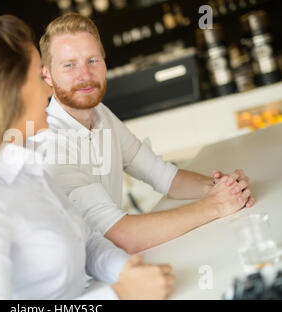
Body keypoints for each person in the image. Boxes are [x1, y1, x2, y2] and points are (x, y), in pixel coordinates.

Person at [0, 15, 175, 300]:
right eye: (38, 77)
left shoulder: (31, 166)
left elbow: (87, 243)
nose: (49, 89)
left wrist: (127, 270)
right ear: (9, 91)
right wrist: (117, 295)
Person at [35, 13, 255, 254]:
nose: (85, 75)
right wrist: (217, 205)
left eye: (93, 60)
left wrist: (222, 187)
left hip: (116, 266)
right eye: (69, 65)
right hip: (87, 286)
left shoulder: (100, 113)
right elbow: (123, 236)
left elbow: (163, 176)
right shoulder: (48, 142)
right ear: (47, 75)